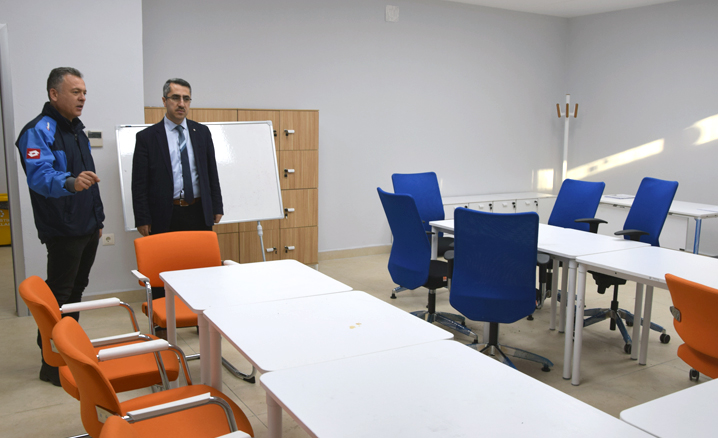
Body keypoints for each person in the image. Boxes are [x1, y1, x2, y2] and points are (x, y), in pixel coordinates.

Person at [15, 67, 105, 386]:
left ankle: (69, 349)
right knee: (59, 297)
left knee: (75, 293)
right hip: (63, 227)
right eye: (75, 92)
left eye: (84, 92)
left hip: (87, 225)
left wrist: (98, 219)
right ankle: (51, 363)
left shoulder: (77, 129)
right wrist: (69, 182)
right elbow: (40, 176)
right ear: (54, 94)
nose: (82, 98)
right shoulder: (37, 131)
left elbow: (89, 179)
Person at [132, 78, 223, 300]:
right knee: (163, 269)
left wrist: (216, 205)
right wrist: (142, 218)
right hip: (165, 213)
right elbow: (139, 182)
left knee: (201, 269)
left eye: (186, 99)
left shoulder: (202, 132)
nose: (181, 103)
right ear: (164, 101)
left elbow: (211, 172)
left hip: (198, 211)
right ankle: (163, 316)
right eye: (175, 98)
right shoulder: (147, 137)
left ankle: (201, 312)